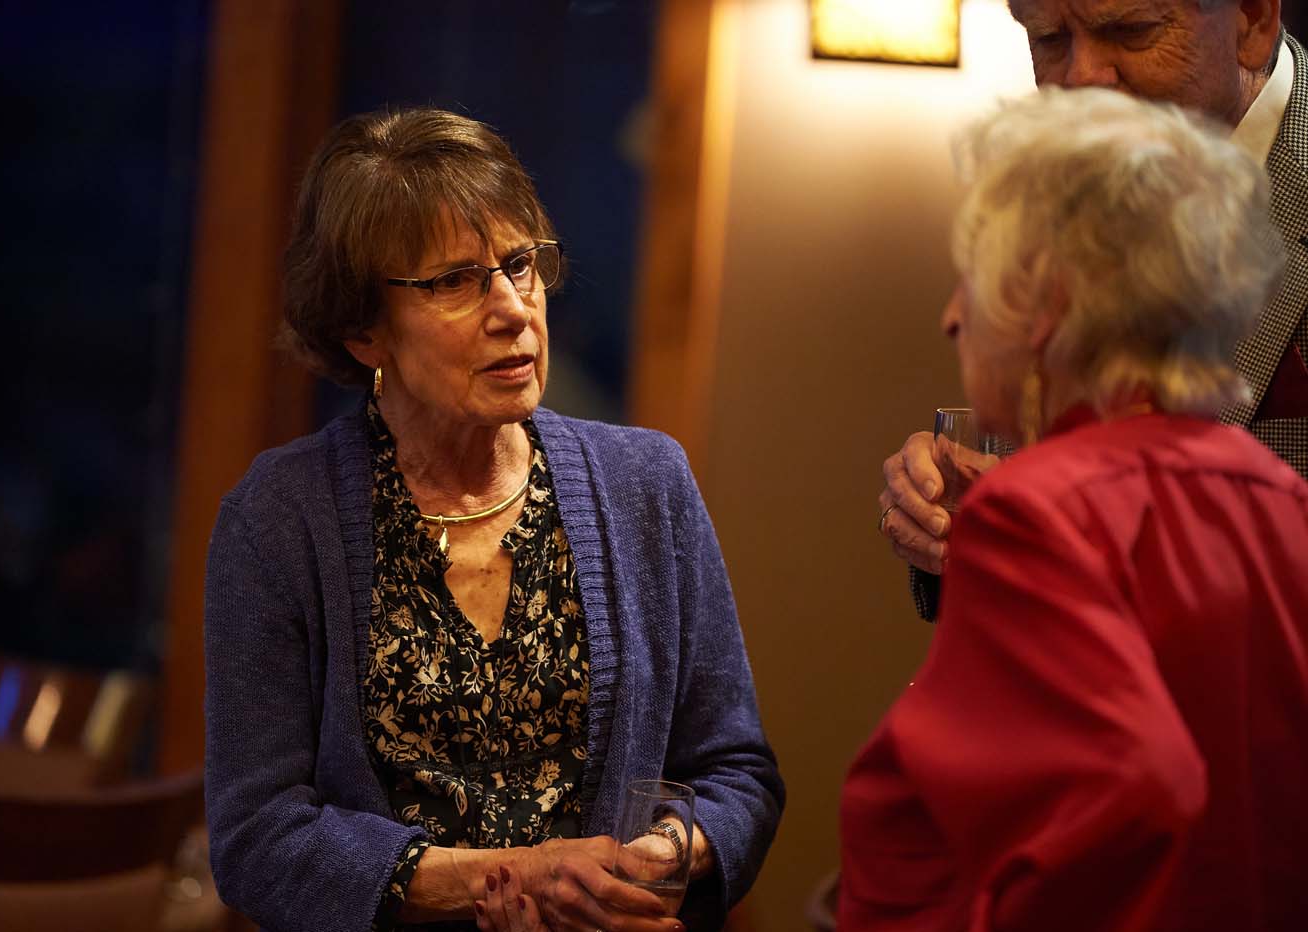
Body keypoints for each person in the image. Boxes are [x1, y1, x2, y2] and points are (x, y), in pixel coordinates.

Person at [203, 108, 783, 932]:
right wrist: (507, 878)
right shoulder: (278, 519)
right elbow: (257, 840)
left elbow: (736, 774)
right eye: (454, 281)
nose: (513, 309)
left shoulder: (648, 483)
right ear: (364, 329)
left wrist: (656, 860)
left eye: (520, 265)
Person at [839, 86, 1308, 930]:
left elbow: (1137, 787)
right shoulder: (1279, 496)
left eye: (970, 277)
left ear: (1047, 306)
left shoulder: (1033, 510)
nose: (951, 317)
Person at [877, 0, 1305, 618]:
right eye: (1049, 40)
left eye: (1131, 31)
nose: (1082, 79)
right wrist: (969, 524)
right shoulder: (1071, 180)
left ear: (1253, 18)